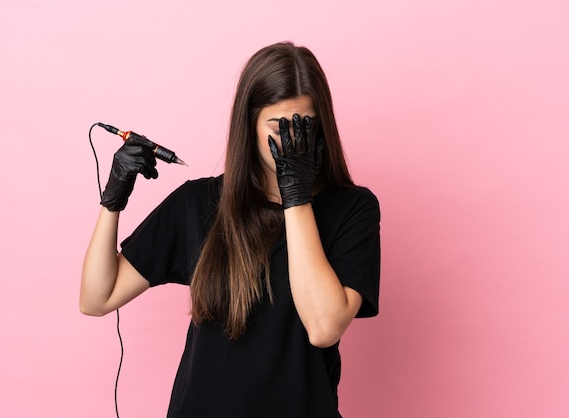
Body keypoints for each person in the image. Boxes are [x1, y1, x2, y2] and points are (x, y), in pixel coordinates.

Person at [81, 41, 381, 418]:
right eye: (278, 127)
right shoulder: (198, 202)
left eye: (304, 126)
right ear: (250, 124)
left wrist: (296, 194)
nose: (291, 142)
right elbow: (96, 299)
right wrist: (113, 198)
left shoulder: (353, 209)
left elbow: (323, 327)